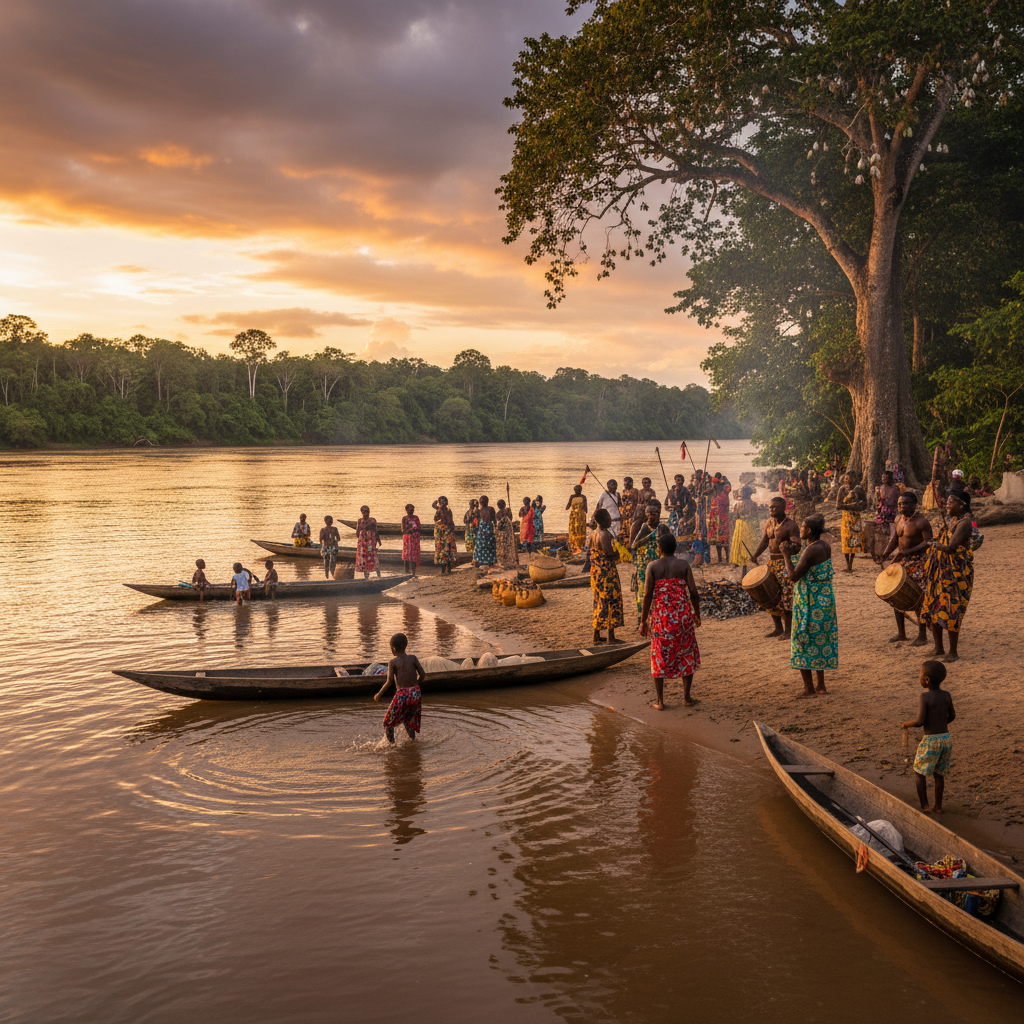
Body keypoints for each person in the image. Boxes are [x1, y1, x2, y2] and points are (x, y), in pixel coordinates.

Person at [640, 533, 701, 709]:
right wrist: (697, 614)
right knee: (686, 652)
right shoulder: (683, 565)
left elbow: (647, 595)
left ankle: (660, 701)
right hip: (682, 615)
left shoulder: (653, 566)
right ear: (675, 548)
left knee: (659, 654)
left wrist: (643, 621)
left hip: (662, 617)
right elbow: (694, 593)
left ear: (659, 548)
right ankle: (686, 698)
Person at [781, 514, 837, 697]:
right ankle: (821, 685)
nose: (800, 529)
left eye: (803, 527)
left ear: (809, 530)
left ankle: (809, 689)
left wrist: (786, 555)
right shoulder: (824, 546)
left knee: (802, 641)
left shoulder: (811, 550)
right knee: (819, 642)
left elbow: (793, 576)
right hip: (824, 600)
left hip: (809, 602)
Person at [920, 491, 974, 662]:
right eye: (947, 502)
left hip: (955, 573)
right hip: (941, 570)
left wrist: (934, 544)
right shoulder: (952, 520)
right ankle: (939, 648)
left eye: (951, 502)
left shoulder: (965, 523)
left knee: (951, 609)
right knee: (935, 606)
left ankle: (953, 652)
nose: (947, 504)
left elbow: (951, 547)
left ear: (962, 505)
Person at [902, 661, 956, 813]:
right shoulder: (946, 695)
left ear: (927, 680)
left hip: (931, 741)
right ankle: (938, 806)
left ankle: (925, 806)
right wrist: (940, 723)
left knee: (919, 773)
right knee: (939, 774)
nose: (919, 677)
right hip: (946, 739)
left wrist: (906, 724)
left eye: (920, 674)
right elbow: (952, 715)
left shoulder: (924, 696)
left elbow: (919, 721)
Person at [881, 491, 933, 644]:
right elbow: (895, 538)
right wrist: (886, 553)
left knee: (918, 599)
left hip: (918, 563)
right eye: (899, 504)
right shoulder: (899, 519)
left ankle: (922, 636)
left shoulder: (921, 522)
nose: (901, 506)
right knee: (896, 596)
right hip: (902, 562)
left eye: (905, 503)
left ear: (915, 505)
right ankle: (901, 633)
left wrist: (906, 552)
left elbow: (928, 542)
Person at [750, 497, 801, 639]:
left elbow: (797, 545)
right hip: (772, 563)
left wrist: (789, 547)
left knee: (786, 596)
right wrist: (755, 555)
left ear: (783, 508)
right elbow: (765, 541)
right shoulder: (769, 522)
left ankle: (788, 630)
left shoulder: (791, 525)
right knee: (771, 595)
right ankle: (778, 628)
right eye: (770, 507)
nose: (772, 509)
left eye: (775, 507)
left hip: (785, 564)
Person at [373, 632, 426, 744]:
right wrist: (414, 685)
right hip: (415, 692)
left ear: (393, 648)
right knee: (407, 720)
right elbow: (422, 674)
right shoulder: (413, 658)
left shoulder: (393, 662)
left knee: (388, 723)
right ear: (406, 645)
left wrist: (379, 694)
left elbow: (389, 681)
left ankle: (392, 747)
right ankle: (413, 742)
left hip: (402, 694)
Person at [589, 507, 624, 644]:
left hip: (595, 573)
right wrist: (619, 554)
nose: (610, 520)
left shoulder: (592, 534)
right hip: (606, 573)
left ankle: (596, 636)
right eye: (608, 518)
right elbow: (609, 554)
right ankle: (611, 637)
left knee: (599, 602)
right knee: (610, 601)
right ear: (603, 520)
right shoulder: (605, 535)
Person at [629, 502, 664, 627]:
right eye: (651, 514)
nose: (654, 517)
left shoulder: (662, 527)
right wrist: (648, 538)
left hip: (658, 563)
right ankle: (644, 619)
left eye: (656, 514)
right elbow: (634, 545)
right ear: (647, 515)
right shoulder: (644, 527)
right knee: (644, 590)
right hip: (644, 565)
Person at [836, 472, 867, 573]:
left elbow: (864, 505)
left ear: (854, 479)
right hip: (846, 518)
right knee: (846, 540)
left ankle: (850, 565)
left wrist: (848, 505)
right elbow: (838, 506)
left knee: (854, 541)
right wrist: (851, 504)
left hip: (855, 518)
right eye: (846, 478)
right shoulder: (842, 489)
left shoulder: (858, 490)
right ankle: (848, 564)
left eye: (849, 478)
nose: (847, 480)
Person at [729, 486, 759, 573]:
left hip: (740, 525)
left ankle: (738, 561)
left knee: (739, 543)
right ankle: (749, 559)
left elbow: (736, 516)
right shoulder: (753, 504)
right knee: (748, 543)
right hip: (748, 525)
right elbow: (755, 517)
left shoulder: (737, 504)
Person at [432, 496, 458, 574]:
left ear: (447, 503)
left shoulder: (448, 511)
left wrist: (451, 528)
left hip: (448, 532)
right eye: (441, 502)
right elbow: (436, 520)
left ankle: (448, 569)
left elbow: (450, 521)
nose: (443, 503)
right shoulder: (439, 510)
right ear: (440, 503)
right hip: (440, 533)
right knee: (441, 550)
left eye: (444, 502)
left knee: (449, 549)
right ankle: (443, 570)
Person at [708, 478, 731, 563]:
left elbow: (724, 507)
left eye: (715, 484)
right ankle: (720, 558)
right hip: (715, 520)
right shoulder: (714, 496)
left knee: (724, 540)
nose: (713, 486)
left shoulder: (723, 495)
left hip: (722, 520)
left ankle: (727, 558)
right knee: (717, 541)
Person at [356, 505, 382, 579]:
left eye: (367, 511)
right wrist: (362, 537)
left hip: (371, 543)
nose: (366, 513)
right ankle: (366, 577)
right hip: (363, 544)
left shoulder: (372, 520)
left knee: (374, 558)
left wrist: (379, 540)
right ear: (361, 512)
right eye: (364, 512)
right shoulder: (359, 521)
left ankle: (379, 576)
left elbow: (376, 531)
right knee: (364, 560)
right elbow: (357, 533)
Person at [495, 499, 519, 568]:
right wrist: (509, 511)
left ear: (498, 506)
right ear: (505, 505)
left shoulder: (497, 514)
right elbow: (510, 519)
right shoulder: (507, 511)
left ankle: (503, 562)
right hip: (508, 532)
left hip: (501, 533)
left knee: (502, 547)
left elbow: (498, 522)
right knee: (510, 547)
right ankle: (511, 562)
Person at [566, 485, 589, 552]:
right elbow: (567, 506)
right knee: (573, 530)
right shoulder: (572, 497)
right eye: (576, 490)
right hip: (574, 516)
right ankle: (573, 545)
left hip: (580, 517)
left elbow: (586, 508)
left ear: (581, 490)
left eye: (578, 490)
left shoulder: (583, 497)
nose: (577, 491)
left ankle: (579, 545)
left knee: (579, 530)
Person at [475, 496, 497, 566]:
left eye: (483, 502)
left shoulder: (491, 509)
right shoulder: (479, 511)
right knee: (481, 544)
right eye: (481, 502)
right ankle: (481, 560)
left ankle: (490, 561)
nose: (482, 503)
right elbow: (477, 519)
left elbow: (494, 519)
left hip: (489, 527)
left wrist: (496, 527)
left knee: (490, 543)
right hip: (482, 528)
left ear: (487, 502)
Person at [401, 504, 421, 575]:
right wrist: (409, 526)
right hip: (407, 538)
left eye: (413, 510)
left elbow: (419, 527)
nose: (412, 511)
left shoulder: (416, 518)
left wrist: (415, 531)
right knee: (406, 555)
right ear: (406, 510)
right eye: (410, 510)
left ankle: (413, 572)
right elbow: (403, 530)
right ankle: (406, 571)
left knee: (414, 555)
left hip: (414, 538)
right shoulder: (404, 518)